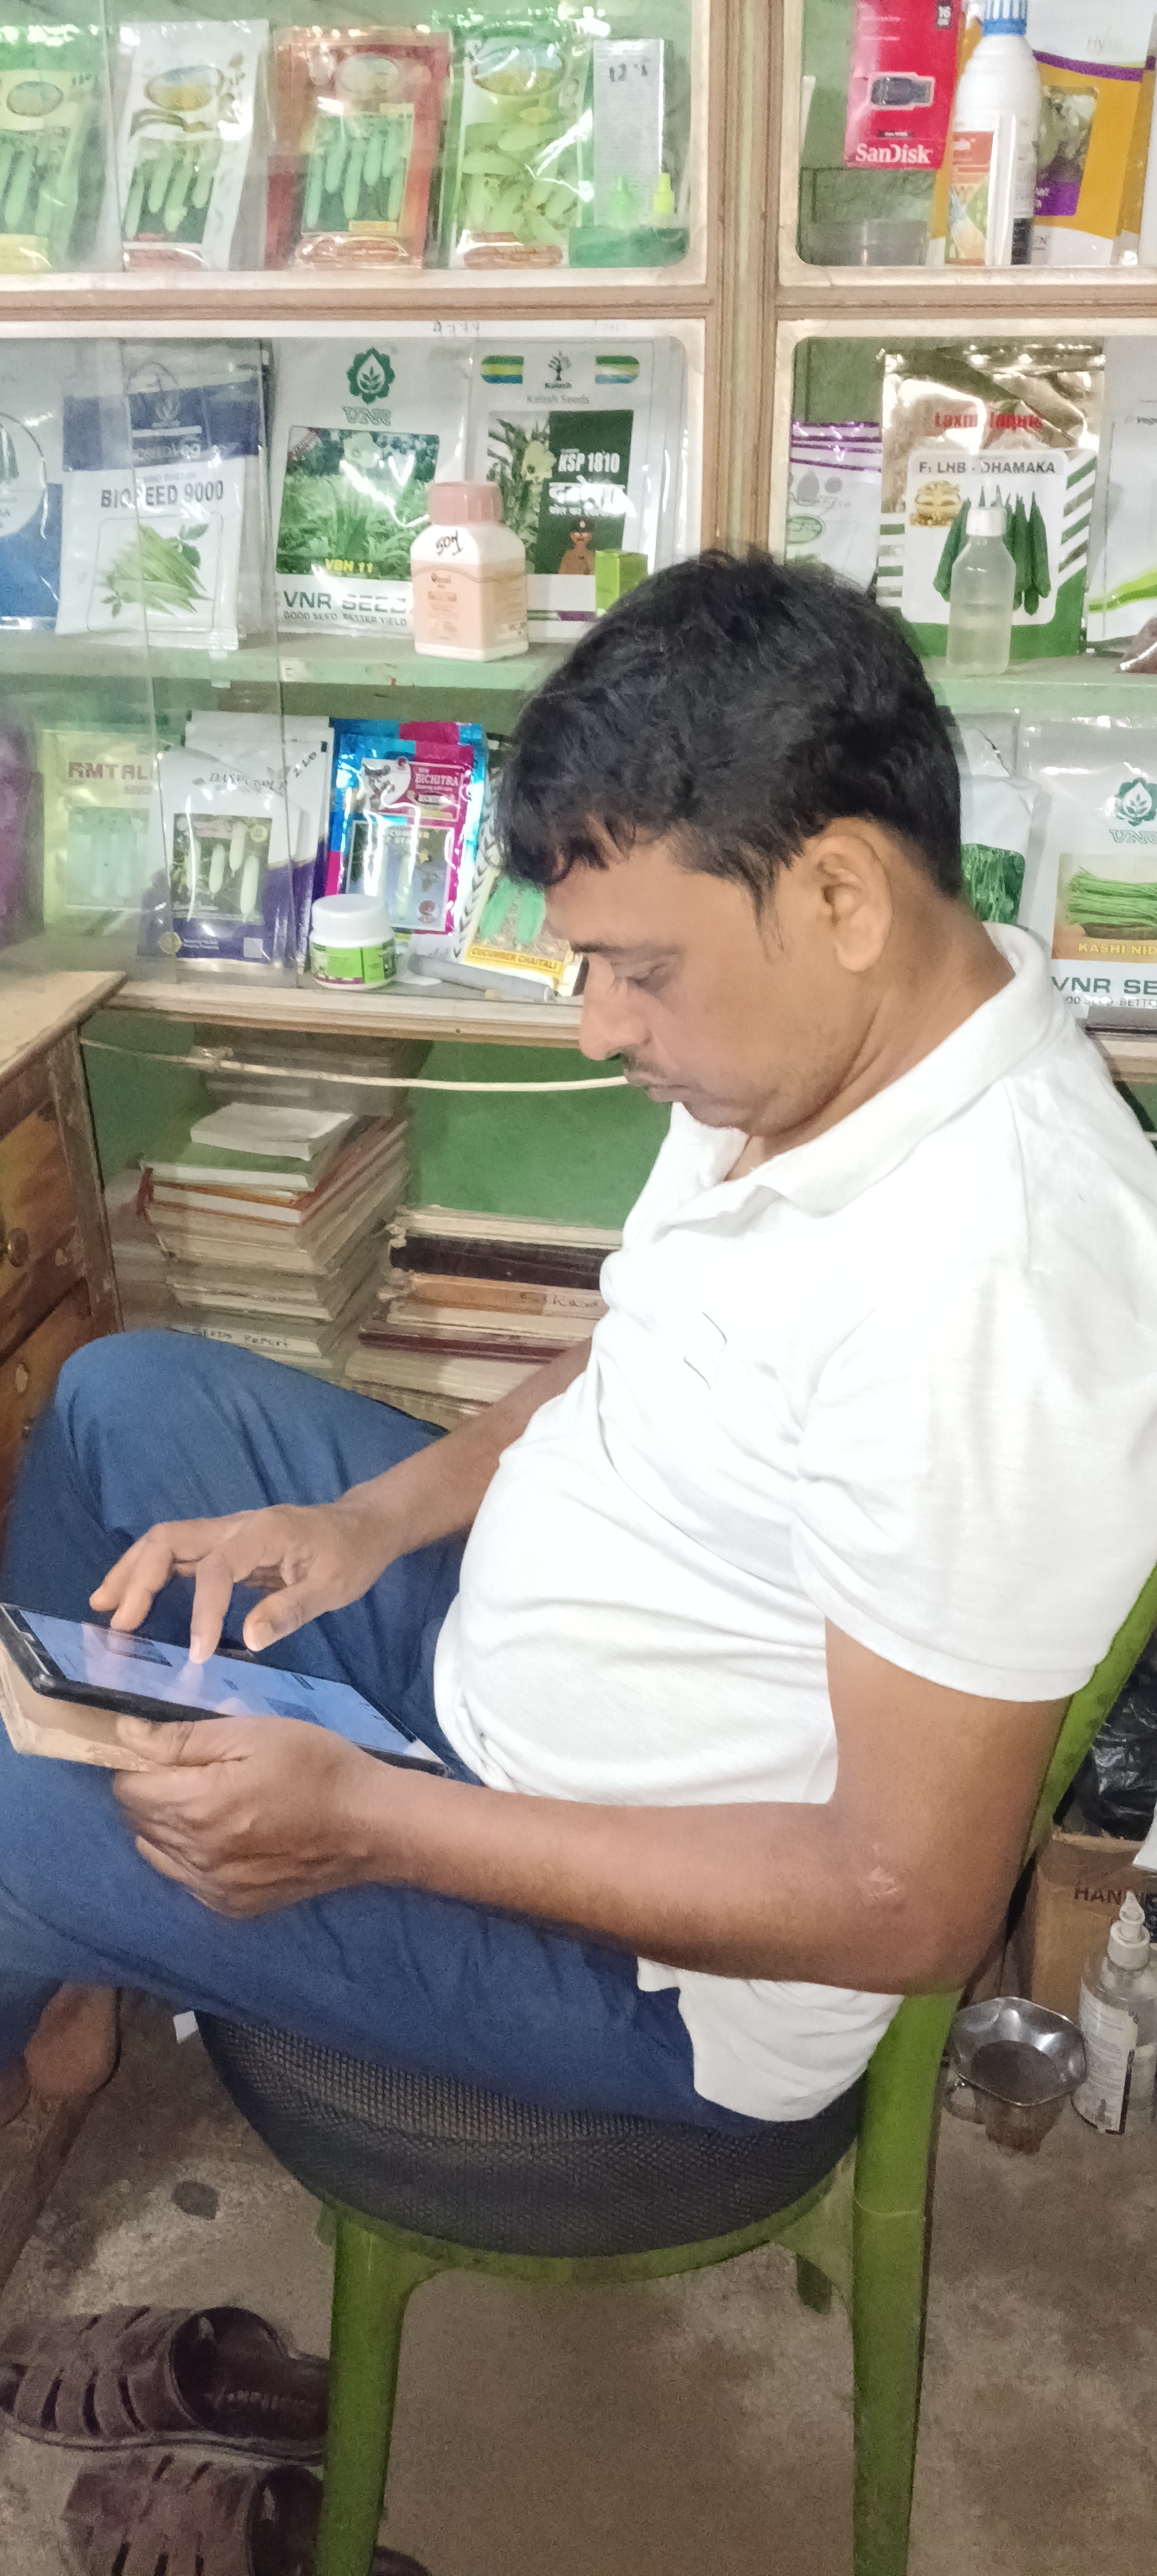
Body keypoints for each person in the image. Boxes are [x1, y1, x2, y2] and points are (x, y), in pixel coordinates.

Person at [4, 551, 1157, 2167]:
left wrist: (366, 1821)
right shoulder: (822, 1061)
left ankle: (47, 1907)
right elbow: (638, 1346)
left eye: (640, 969)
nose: (598, 1027)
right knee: (122, 1401)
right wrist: (369, 1524)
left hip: (653, 1973)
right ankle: (65, 1946)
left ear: (839, 895)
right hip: (497, 1682)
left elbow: (905, 1901)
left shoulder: (998, 1290)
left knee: (4, 1808)